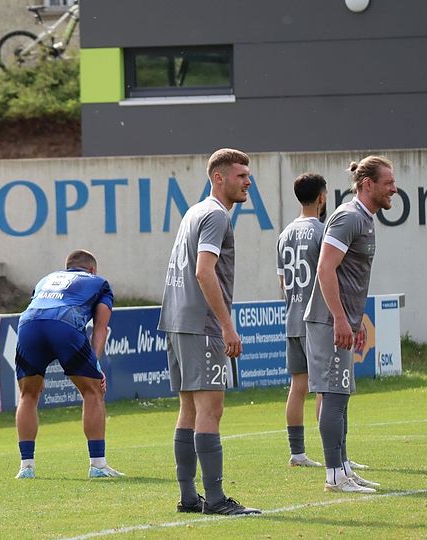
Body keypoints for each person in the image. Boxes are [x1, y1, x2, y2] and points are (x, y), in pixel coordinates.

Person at [157, 148, 261, 516]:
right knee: (210, 409)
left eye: (248, 175)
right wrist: (226, 325)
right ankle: (215, 499)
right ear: (219, 177)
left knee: (188, 408)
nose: (248, 182)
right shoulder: (216, 215)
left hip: (176, 319)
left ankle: (189, 497)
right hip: (201, 324)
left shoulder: (195, 211)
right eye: (241, 175)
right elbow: (204, 271)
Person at [303, 155, 397, 494]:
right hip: (330, 321)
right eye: (388, 183)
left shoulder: (364, 219)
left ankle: (344, 469)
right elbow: (325, 268)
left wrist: (350, 321)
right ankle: (334, 476)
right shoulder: (349, 217)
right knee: (333, 396)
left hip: (341, 321)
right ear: (368, 184)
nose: (394, 189)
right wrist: (341, 319)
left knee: (341, 397)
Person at [14, 249, 121, 479]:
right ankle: (98, 465)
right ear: (92, 269)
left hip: (28, 323)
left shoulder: (45, 279)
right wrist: (95, 366)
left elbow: (39, 305)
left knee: (28, 394)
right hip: (64, 321)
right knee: (92, 391)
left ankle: (26, 467)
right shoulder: (99, 283)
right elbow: (100, 327)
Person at [276, 173, 327, 468]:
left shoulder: (284, 235)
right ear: (322, 197)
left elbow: (282, 283)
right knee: (327, 388)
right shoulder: (322, 231)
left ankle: (297, 453)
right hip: (317, 320)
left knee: (298, 386)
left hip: (293, 318)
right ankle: (335, 453)